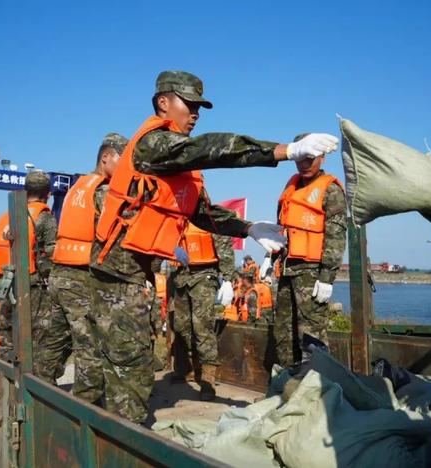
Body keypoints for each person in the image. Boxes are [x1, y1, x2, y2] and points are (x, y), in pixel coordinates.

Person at [90, 70, 338, 423]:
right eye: (188, 104)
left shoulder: (178, 164)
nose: (195, 113)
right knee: (129, 371)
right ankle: (118, 442)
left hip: (133, 273)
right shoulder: (153, 144)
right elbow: (209, 148)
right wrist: (283, 151)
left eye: (199, 107)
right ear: (164, 102)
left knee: (132, 367)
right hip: (116, 273)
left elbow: (202, 213)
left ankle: (119, 430)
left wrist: (248, 227)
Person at [49, 133, 127, 404]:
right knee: (90, 346)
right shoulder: (102, 190)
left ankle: (37, 390)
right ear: (106, 157)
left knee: (53, 342)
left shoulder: (78, 186)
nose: (126, 167)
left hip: (59, 273)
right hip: (80, 277)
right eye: (122, 159)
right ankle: (87, 408)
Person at [273, 134, 347, 367]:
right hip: (286, 269)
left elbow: (336, 237)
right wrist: (271, 258)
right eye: (300, 158)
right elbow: (282, 228)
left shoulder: (331, 190)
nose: (305, 164)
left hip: (311, 273)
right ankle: (284, 385)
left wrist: (327, 278)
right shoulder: (291, 186)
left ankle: (314, 391)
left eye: (311, 158)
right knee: (283, 331)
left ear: (323, 157)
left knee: (311, 335)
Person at [0, 171, 61, 382]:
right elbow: (51, 253)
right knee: (40, 337)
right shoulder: (44, 217)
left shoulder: (7, 216)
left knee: (7, 337)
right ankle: (39, 387)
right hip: (32, 287)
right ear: (47, 194)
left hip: (6, 283)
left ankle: (2, 382)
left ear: (26, 190)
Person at [170, 221, 235, 400]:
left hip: (204, 276)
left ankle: (208, 380)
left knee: (202, 327)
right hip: (181, 276)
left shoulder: (206, 218)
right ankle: (187, 370)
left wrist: (228, 278)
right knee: (181, 326)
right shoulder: (176, 219)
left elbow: (223, 244)